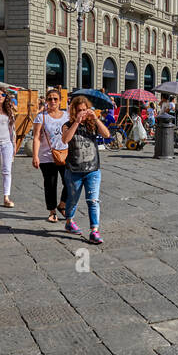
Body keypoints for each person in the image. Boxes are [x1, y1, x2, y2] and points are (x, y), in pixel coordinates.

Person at [60, 94, 110, 244]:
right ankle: (69, 221)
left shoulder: (92, 124)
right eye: (79, 110)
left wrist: (95, 118)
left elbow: (107, 134)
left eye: (85, 109)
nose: (82, 112)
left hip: (93, 169)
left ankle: (94, 230)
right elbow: (65, 140)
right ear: (74, 111)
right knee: (73, 200)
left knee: (93, 200)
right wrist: (76, 122)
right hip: (74, 170)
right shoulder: (68, 125)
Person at [32, 89, 69, 221]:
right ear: (46, 101)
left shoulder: (67, 116)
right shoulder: (41, 116)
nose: (52, 101)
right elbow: (36, 137)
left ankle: (63, 205)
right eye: (50, 99)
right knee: (50, 184)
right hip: (47, 156)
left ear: (60, 101)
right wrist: (35, 156)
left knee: (70, 182)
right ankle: (52, 211)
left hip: (65, 154)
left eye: (55, 99)